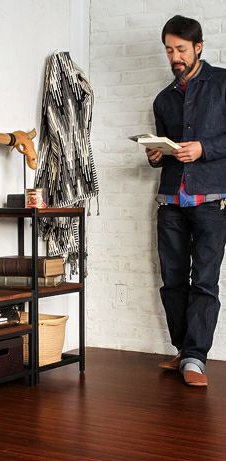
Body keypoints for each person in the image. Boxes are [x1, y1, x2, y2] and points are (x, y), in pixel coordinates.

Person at [146, 15, 226, 387]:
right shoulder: (163, 100)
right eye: (169, 50)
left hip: (211, 201)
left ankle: (195, 358)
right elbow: (166, 151)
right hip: (171, 201)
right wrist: (155, 155)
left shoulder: (223, 84)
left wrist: (204, 148)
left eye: (180, 49)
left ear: (198, 47)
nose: (175, 57)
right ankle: (184, 350)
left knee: (204, 281)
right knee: (172, 281)